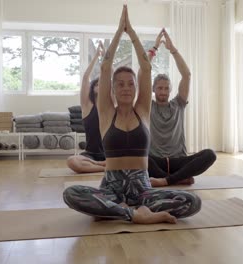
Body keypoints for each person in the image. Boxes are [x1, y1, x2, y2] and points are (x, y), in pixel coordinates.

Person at [63, 5, 201, 224]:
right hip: (111, 186)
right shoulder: (107, 113)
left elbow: (146, 69)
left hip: (143, 189)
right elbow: (106, 66)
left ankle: (116, 211)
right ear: (113, 90)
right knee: (71, 194)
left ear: (136, 88)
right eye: (120, 84)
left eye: (130, 84)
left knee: (192, 202)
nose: (126, 88)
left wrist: (132, 33)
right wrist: (119, 31)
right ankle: (133, 214)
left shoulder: (143, 112)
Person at [146, 29, 217, 187]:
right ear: (153, 89)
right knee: (137, 155)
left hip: (179, 160)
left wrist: (173, 50)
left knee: (210, 154)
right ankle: (177, 179)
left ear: (171, 89)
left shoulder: (178, 104)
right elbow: (143, 71)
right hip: (156, 162)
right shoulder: (147, 106)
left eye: (166, 88)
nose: (163, 91)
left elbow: (187, 75)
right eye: (159, 88)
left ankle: (166, 180)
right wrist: (155, 47)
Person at [66, 42, 106, 173]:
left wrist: (106, 58)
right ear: (93, 88)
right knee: (72, 161)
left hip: (109, 154)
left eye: (103, 83)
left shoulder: (111, 107)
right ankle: (104, 167)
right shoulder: (87, 106)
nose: (100, 85)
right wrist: (96, 57)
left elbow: (111, 76)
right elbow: (85, 78)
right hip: (91, 154)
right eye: (97, 84)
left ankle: (101, 165)